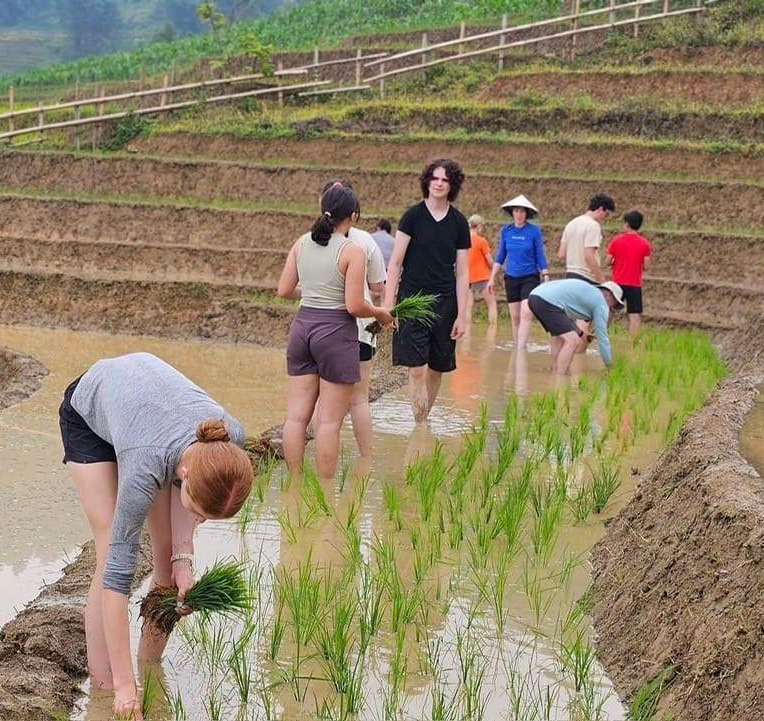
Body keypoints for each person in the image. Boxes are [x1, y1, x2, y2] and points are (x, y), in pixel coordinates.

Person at [60, 352, 255, 721]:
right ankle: (105, 691)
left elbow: (188, 503)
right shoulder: (144, 466)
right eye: (198, 511)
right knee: (108, 556)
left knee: (166, 565)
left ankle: (150, 666)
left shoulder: (229, 442)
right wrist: (124, 688)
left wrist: (184, 558)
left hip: (151, 414)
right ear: (183, 474)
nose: (199, 520)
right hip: (91, 413)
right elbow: (118, 582)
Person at [278, 183, 393, 480]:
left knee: (296, 416)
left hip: (302, 328)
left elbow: (284, 290)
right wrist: (380, 312)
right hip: (335, 331)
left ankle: (294, 481)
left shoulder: (301, 243)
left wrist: (315, 291)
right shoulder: (351, 251)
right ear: (353, 216)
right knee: (328, 422)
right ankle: (325, 492)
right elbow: (355, 305)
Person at [383, 158, 471, 425]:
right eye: (435, 178)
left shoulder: (458, 223)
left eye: (445, 179)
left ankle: (422, 421)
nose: (439, 183)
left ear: (452, 185)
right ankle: (419, 423)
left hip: (445, 302)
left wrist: (462, 315)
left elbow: (463, 272)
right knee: (416, 368)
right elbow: (395, 262)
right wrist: (389, 306)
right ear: (427, 181)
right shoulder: (412, 217)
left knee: (436, 368)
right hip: (412, 299)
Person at [522, 279, 625, 375]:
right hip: (547, 301)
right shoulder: (601, 303)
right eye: (614, 304)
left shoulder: (589, 292)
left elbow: (565, 317)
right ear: (609, 295)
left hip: (534, 296)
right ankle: (560, 377)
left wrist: (580, 333)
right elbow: (603, 339)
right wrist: (610, 366)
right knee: (573, 340)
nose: (611, 308)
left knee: (559, 336)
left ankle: (555, 372)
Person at [486, 194, 549, 350]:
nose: (519, 214)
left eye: (522, 211)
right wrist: (492, 278)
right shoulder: (506, 231)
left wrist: (545, 274)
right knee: (515, 317)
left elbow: (539, 254)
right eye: (516, 211)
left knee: (526, 313)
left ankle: (521, 349)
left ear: (526, 214)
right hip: (511, 278)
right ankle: (518, 346)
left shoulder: (533, 231)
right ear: (512, 213)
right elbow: (501, 255)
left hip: (530, 277)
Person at [604, 209, 652, 336]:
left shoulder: (616, 240)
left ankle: (600, 336)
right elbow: (646, 266)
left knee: (609, 311)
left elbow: (607, 261)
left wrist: (615, 261)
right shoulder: (645, 244)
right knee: (634, 315)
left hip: (617, 283)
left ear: (626, 224)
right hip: (634, 284)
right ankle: (632, 344)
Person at [557, 192, 616, 283]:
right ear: (601, 209)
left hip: (570, 275)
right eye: (606, 214)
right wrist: (600, 277)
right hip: (586, 277)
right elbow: (588, 256)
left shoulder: (571, 223)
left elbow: (561, 254)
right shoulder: (593, 225)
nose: (605, 217)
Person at [464, 213, 498, 327]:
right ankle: (492, 330)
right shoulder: (481, 241)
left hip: (468, 277)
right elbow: (489, 261)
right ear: (478, 226)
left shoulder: (463, 240)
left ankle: (466, 333)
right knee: (491, 304)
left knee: (468, 305)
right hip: (482, 277)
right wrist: (494, 268)